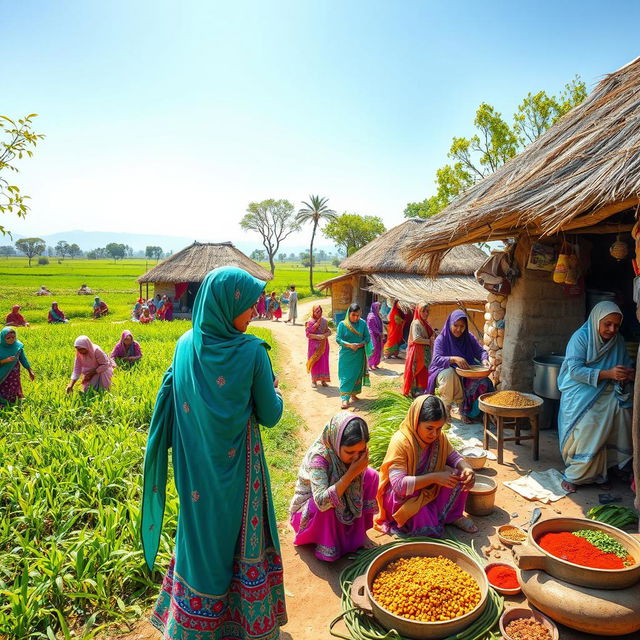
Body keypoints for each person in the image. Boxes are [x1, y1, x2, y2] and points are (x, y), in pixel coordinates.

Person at [141, 267, 286, 639]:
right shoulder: (252, 352)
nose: (255, 313)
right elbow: (270, 416)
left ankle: (190, 623)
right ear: (227, 305)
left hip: (195, 472)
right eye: (250, 306)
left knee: (198, 536)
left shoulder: (184, 344)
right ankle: (239, 624)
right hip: (239, 472)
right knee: (238, 542)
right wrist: (275, 391)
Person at [558, 301, 635, 493]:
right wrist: (608, 374)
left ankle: (607, 469)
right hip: (580, 390)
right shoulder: (581, 338)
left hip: (607, 390)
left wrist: (627, 375)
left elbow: (625, 365)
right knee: (590, 421)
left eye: (616, 325)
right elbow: (575, 371)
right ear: (596, 321)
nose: (612, 329)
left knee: (623, 412)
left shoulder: (618, 341)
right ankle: (576, 474)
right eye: (607, 324)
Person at [375, 395, 477, 536]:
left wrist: (466, 467)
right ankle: (428, 517)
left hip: (427, 487)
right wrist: (434, 478)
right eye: (429, 428)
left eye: (439, 428)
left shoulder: (439, 438)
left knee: (459, 476)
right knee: (420, 515)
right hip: (404, 495)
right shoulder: (401, 442)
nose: (434, 434)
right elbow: (399, 486)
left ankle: (452, 516)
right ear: (416, 421)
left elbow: (452, 456)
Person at [290, 413, 379, 561]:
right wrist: (351, 473)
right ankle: (327, 544)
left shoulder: (354, 457)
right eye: (350, 452)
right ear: (336, 443)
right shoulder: (318, 458)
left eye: (362, 451)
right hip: (311, 512)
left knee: (371, 476)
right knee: (328, 502)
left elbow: (358, 480)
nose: (356, 458)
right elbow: (321, 502)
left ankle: (359, 533)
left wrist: (354, 471)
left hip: (338, 496)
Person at [427, 310, 493, 423]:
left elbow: (480, 351)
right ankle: (447, 408)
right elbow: (436, 359)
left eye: (462, 326)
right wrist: (453, 359)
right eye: (455, 325)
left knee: (484, 382)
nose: (458, 329)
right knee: (450, 375)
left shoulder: (468, 337)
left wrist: (484, 359)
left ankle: (474, 413)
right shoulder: (442, 339)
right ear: (449, 324)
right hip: (444, 370)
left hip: (465, 371)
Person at [336, 303, 372, 409]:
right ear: (349, 314)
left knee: (356, 374)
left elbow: (367, 337)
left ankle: (353, 394)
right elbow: (338, 339)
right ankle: (344, 399)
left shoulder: (363, 324)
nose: (356, 318)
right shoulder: (343, 324)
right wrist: (349, 345)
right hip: (346, 355)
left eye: (358, 315)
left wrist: (360, 345)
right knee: (346, 376)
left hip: (359, 354)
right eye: (353, 315)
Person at [403, 302, 435, 397]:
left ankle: (423, 391)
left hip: (425, 352)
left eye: (427, 311)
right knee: (417, 371)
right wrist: (429, 341)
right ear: (418, 311)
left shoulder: (425, 323)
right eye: (423, 311)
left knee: (425, 371)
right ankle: (414, 392)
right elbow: (416, 339)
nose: (426, 313)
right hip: (417, 353)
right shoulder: (416, 323)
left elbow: (430, 334)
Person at [0, 327, 35, 406]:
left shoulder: (18, 346)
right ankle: (4, 402)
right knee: (4, 385)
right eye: (8, 338)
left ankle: (14, 399)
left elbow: (23, 359)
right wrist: (5, 360)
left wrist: (30, 370)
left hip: (14, 371)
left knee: (14, 383)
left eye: (13, 337)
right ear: (2, 338)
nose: (11, 339)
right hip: (2, 373)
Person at [306, 305, 331, 387]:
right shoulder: (309, 321)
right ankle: (314, 381)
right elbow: (308, 334)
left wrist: (324, 335)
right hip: (313, 346)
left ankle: (323, 380)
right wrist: (316, 327)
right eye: (316, 312)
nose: (318, 313)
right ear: (313, 312)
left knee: (323, 362)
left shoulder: (324, 321)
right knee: (314, 361)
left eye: (319, 311)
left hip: (323, 345)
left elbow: (329, 331)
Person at [367, 302, 384, 370]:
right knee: (373, 349)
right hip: (372, 335)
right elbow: (372, 327)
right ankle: (370, 365)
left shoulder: (377, 315)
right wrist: (379, 332)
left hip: (378, 335)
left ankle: (375, 364)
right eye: (377, 307)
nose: (379, 309)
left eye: (379, 307)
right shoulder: (371, 316)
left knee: (378, 349)